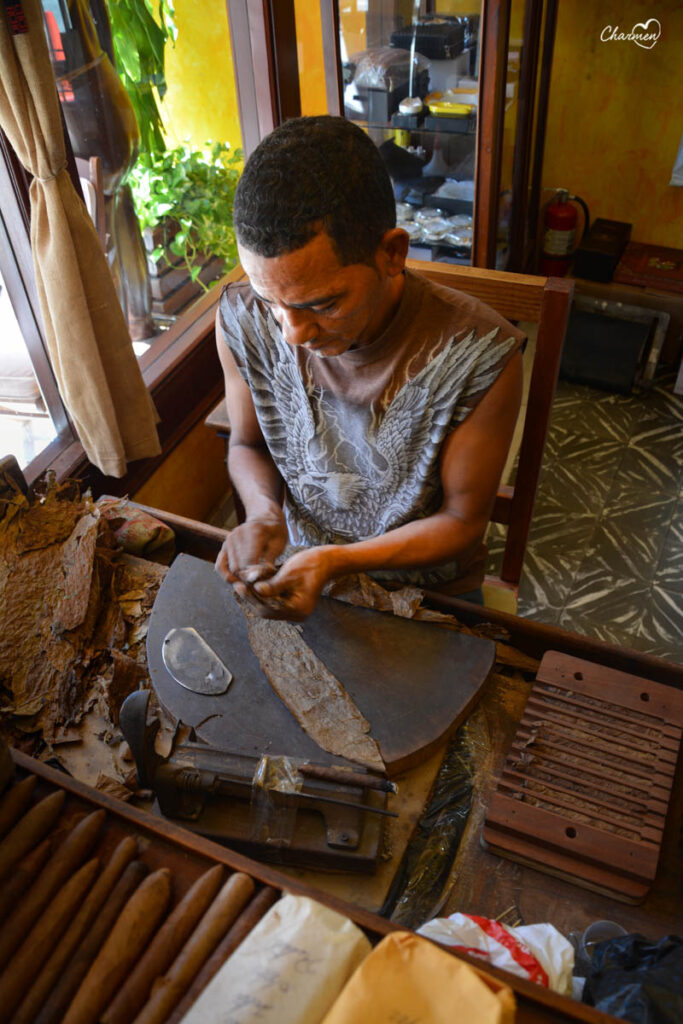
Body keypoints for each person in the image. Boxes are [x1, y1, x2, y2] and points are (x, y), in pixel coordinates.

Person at [214, 116, 524, 620]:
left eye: (324, 304)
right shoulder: (242, 320)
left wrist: (336, 561)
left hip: (427, 587)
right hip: (301, 562)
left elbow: (463, 521)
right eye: (272, 301)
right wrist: (265, 513)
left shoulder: (477, 356)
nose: (293, 333)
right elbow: (247, 444)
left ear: (392, 254)